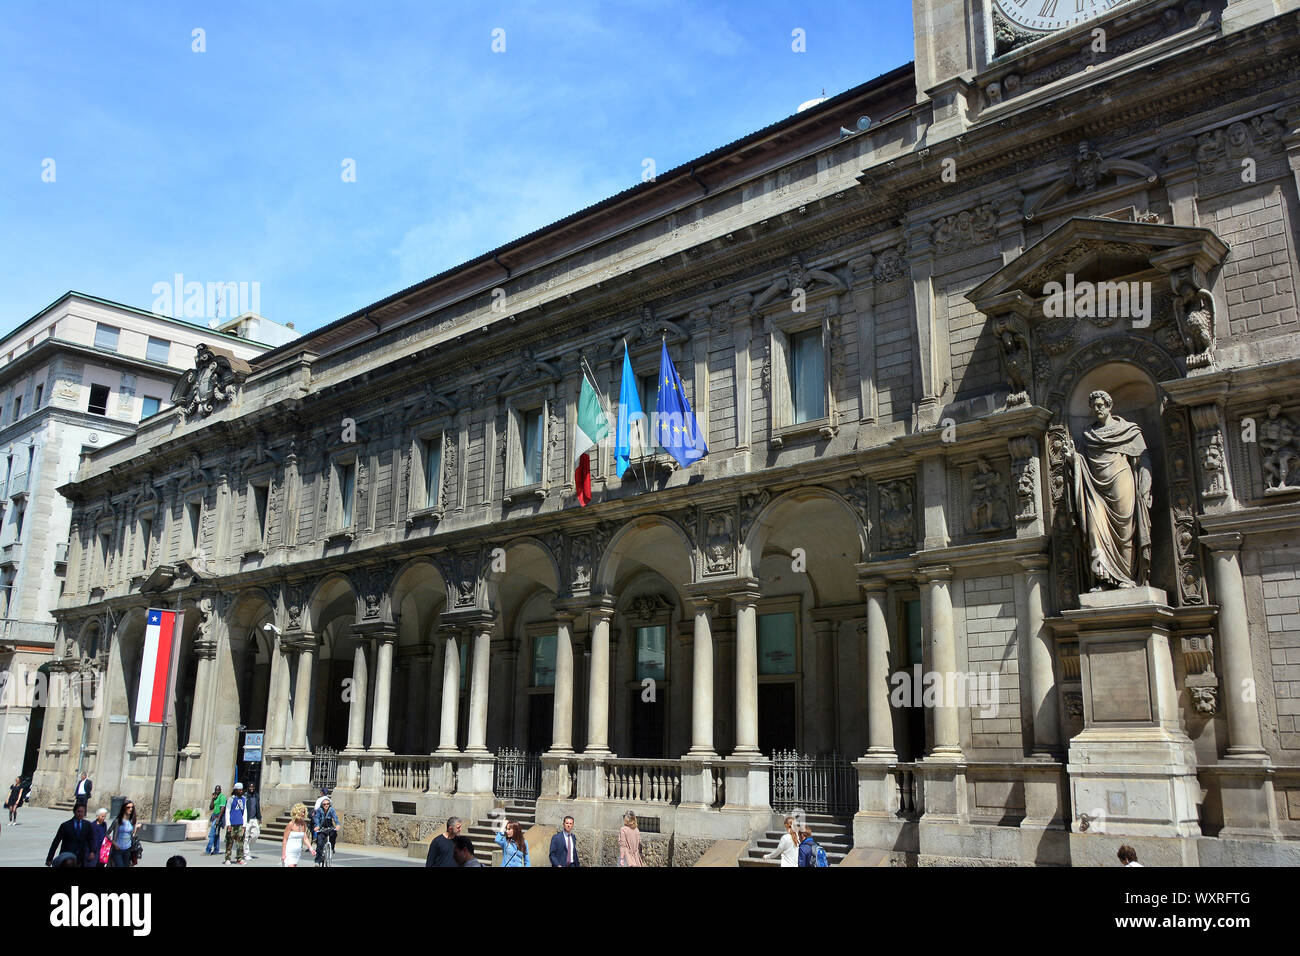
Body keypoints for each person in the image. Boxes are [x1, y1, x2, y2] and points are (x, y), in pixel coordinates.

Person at [46, 803, 94, 867]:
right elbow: (56, 842)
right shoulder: (65, 825)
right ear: (74, 812)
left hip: (81, 857)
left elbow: (90, 839)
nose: (80, 814)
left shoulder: (87, 825)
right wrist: (49, 858)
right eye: (78, 812)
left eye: (82, 812)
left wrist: (92, 851)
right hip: (67, 858)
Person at [223, 782, 249, 865]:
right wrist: (228, 824)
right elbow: (227, 811)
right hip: (232, 824)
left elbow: (245, 812)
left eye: (241, 789)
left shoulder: (244, 799)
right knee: (229, 841)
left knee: (240, 842)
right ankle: (227, 858)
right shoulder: (231, 799)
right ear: (235, 790)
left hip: (240, 824)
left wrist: (244, 825)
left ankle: (239, 858)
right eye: (239, 789)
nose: (241, 791)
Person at [108, 799, 138, 868]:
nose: (130, 809)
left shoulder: (132, 820)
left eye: (132, 807)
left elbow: (132, 835)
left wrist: (137, 829)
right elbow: (107, 833)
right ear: (124, 808)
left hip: (127, 849)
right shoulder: (117, 821)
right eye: (128, 807)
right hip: (118, 849)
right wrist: (114, 843)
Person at [312, 796, 339, 865]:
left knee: (334, 833)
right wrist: (317, 826)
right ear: (322, 805)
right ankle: (317, 861)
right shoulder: (319, 810)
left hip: (330, 828)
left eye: (327, 804)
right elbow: (317, 818)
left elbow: (335, 817)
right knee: (320, 844)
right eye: (324, 804)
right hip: (321, 828)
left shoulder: (331, 810)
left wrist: (337, 824)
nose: (326, 805)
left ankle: (332, 848)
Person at [243, 783, 262, 859]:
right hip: (247, 819)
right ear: (248, 788)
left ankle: (246, 847)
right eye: (250, 787)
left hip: (254, 818)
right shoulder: (245, 796)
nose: (252, 788)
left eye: (253, 787)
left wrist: (259, 818)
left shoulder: (256, 796)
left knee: (256, 834)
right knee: (246, 836)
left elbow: (258, 807)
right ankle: (246, 853)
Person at [205, 785, 225, 855]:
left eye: (218, 790)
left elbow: (222, 809)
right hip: (214, 817)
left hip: (218, 818)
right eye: (216, 790)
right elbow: (211, 808)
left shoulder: (222, 797)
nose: (217, 791)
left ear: (220, 790)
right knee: (216, 835)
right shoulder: (216, 798)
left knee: (211, 834)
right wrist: (213, 799)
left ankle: (208, 850)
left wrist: (218, 819)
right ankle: (216, 850)